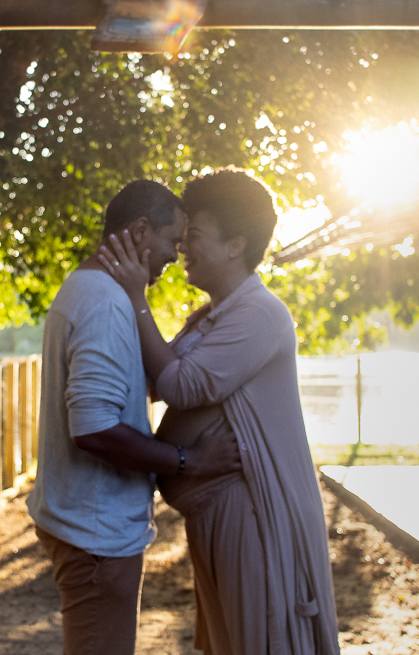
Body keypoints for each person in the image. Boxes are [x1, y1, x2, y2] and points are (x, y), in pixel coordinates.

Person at [98, 168, 340, 655]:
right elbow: (152, 379)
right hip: (214, 513)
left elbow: (183, 385)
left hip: (252, 512)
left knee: (261, 640)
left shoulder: (260, 314)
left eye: (195, 236)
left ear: (235, 245)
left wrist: (134, 296)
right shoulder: (214, 314)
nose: (183, 247)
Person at [27, 179, 242, 655]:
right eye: (172, 240)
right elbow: (94, 428)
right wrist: (188, 460)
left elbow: (134, 385)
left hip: (87, 525)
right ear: (141, 229)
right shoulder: (104, 302)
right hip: (96, 535)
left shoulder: (96, 290)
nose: (176, 254)